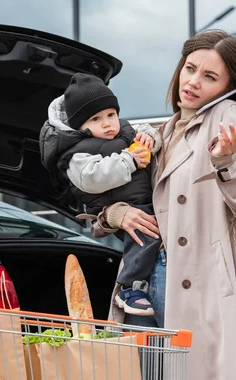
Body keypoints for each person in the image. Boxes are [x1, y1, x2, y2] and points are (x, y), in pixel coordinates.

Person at [91, 30, 236, 380]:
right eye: (190, 68)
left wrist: (226, 162)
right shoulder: (164, 130)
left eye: (209, 76)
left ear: (228, 86)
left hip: (194, 278)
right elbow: (132, 197)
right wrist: (116, 214)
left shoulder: (227, 115)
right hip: (148, 277)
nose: (192, 82)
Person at [39, 73, 163, 316]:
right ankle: (129, 288)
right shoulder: (77, 154)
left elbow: (151, 133)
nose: (107, 123)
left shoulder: (125, 131)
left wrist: (149, 137)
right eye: (96, 119)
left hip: (142, 200)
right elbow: (91, 178)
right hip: (118, 206)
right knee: (143, 238)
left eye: (111, 115)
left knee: (148, 237)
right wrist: (128, 160)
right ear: (80, 127)